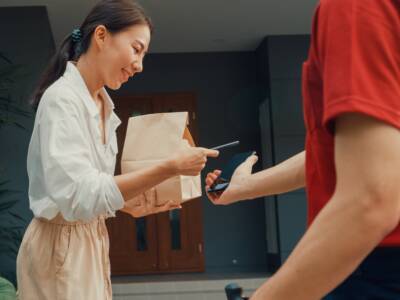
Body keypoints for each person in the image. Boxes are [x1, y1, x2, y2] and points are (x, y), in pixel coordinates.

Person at [16, 1, 218, 299]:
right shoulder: (62, 100)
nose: (139, 65)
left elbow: (89, 190)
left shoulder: (104, 107)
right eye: (136, 49)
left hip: (88, 241)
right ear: (101, 36)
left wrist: (126, 204)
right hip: (59, 247)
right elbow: (78, 195)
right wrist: (169, 167)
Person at [206, 0, 400, 298]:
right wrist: (245, 186)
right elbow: (361, 154)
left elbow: (369, 201)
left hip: (373, 264)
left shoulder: (355, 7)